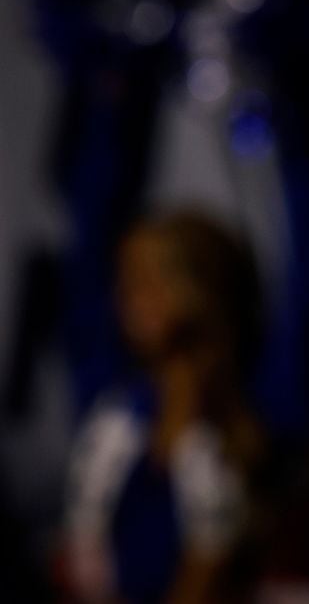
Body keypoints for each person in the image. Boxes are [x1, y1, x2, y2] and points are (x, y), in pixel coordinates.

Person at [59, 210, 266, 604]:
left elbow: (210, 563)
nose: (127, 299)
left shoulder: (227, 428)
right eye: (126, 282)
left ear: (200, 290)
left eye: (149, 282)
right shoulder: (120, 415)